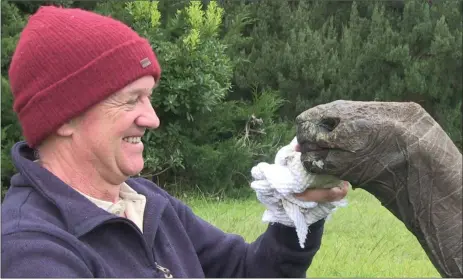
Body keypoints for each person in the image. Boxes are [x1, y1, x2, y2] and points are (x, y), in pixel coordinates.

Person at [1, 6, 349, 278]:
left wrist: (297, 212)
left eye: (149, 97)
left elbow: (244, 271)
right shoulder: (30, 250)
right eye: (130, 99)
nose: (152, 118)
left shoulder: (146, 201)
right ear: (65, 117)